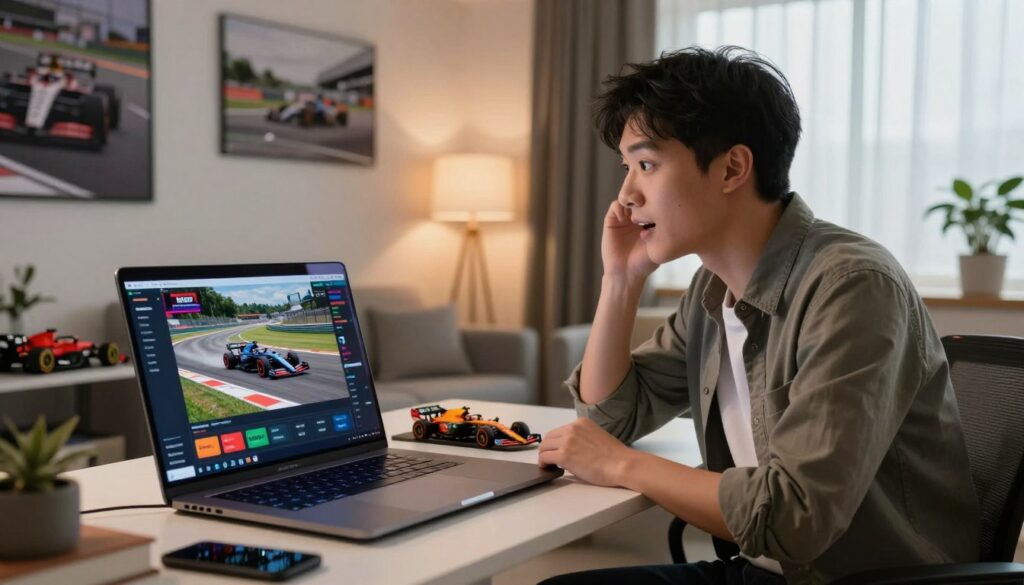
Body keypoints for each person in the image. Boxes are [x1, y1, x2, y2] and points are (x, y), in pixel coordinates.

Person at [537, 46, 980, 585]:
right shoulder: (712, 289)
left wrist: (623, 466)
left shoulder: (852, 286)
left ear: (732, 168)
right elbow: (608, 420)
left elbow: (796, 516)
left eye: (647, 165)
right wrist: (621, 282)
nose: (626, 195)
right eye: (627, 168)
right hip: (766, 571)